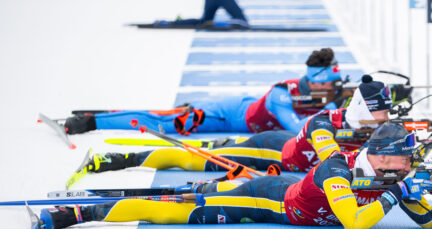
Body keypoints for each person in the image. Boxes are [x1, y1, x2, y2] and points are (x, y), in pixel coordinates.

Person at [39, 122, 432, 229]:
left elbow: (424, 219)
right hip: (273, 201)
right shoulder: (340, 171)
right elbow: (355, 224)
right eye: (405, 162)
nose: (410, 167)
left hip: (291, 193)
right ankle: (81, 211)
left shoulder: (388, 176)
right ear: (384, 158)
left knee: (201, 192)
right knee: (179, 213)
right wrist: (397, 194)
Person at [76, 75, 395, 177]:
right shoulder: (313, 116)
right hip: (263, 144)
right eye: (381, 115)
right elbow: (333, 161)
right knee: (193, 155)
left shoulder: (355, 120)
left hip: (278, 137)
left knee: (211, 147)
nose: (386, 121)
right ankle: (115, 152)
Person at [62, 48, 343, 136]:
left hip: (240, 108)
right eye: (332, 83)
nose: (335, 88)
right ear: (318, 81)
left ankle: (103, 113)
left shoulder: (315, 93)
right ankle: (91, 122)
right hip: (227, 116)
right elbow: (297, 130)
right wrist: (331, 112)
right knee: (161, 124)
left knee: (166, 114)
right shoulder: (281, 95)